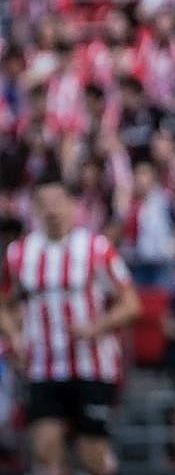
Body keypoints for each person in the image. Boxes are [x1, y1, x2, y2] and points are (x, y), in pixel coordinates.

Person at [0, 178, 141, 475]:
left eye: (57, 202)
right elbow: (4, 303)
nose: (52, 210)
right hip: (43, 368)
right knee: (45, 449)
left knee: (92, 457)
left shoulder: (96, 248)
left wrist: (96, 326)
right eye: (44, 203)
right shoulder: (20, 253)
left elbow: (131, 304)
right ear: (34, 209)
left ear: (71, 206)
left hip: (92, 367)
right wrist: (15, 336)